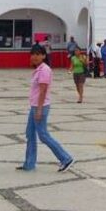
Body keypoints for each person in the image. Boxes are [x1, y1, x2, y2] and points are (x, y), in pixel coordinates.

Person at [16, 44, 74, 172]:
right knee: (30, 134)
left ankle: (66, 158)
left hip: (40, 106)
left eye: (38, 54)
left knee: (43, 135)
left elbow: (43, 91)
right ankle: (29, 163)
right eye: (33, 54)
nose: (35, 57)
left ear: (43, 55)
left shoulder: (44, 70)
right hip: (34, 106)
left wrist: (39, 109)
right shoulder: (38, 69)